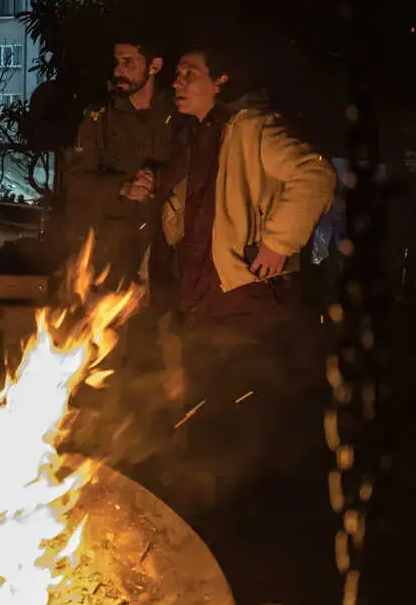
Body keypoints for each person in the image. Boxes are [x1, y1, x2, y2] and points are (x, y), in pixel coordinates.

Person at [154, 46, 336, 507]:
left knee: (237, 414)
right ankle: (210, 511)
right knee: (204, 409)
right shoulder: (197, 138)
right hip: (200, 299)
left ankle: (248, 516)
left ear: (221, 82)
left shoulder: (252, 129)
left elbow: (315, 175)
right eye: (177, 74)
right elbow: (199, 208)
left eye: (189, 73)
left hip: (243, 299)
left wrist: (279, 241)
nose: (177, 82)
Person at [61, 36, 180, 291]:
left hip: (168, 251)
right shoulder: (99, 119)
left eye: (128, 62)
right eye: (117, 62)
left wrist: (158, 180)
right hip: (112, 255)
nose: (119, 71)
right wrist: (122, 188)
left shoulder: (178, 114)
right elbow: (76, 182)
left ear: (154, 66)